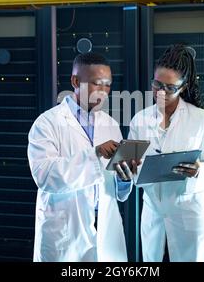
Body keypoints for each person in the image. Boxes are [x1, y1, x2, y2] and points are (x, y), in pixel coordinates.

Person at [27, 52, 138, 262]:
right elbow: (45, 176)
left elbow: (115, 188)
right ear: (75, 81)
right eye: (97, 84)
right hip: (66, 231)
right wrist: (94, 154)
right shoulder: (47, 123)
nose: (103, 92)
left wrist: (124, 179)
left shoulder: (110, 124)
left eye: (108, 85)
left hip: (104, 226)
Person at [128, 44, 204, 262]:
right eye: (156, 85)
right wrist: (128, 170)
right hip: (153, 215)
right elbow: (132, 171)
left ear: (184, 86)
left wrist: (200, 170)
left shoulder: (201, 119)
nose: (160, 93)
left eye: (169, 88)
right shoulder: (140, 120)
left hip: (190, 216)